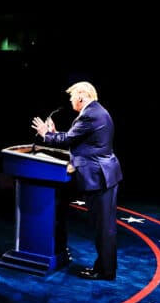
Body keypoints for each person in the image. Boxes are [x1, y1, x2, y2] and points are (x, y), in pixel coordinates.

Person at [31, 81, 122, 281]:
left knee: (103, 227)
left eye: (72, 97)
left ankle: (105, 271)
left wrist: (45, 134)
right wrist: (54, 134)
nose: (71, 101)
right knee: (103, 226)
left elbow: (69, 140)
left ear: (81, 96)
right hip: (103, 175)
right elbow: (77, 140)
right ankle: (104, 268)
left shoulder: (90, 114)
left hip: (99, 177)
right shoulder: (96, 112)